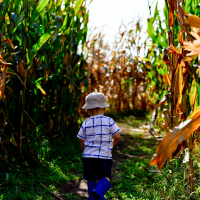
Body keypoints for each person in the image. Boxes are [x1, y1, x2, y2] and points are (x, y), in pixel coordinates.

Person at [77, 92, 121, 200]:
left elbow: (81, 140)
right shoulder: (109, 120)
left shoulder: (86, 122)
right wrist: (112, 143)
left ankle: (92, 197)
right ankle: (99, 190)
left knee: (91, 178)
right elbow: (117, 136)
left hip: (88, 157)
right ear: (104, 108)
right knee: (106, 176)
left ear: (88, 110)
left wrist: (85, 151)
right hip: (103, 156)